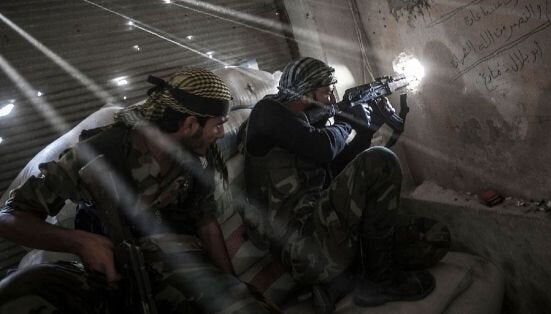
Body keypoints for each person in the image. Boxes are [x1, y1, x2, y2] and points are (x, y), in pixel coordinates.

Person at [0, 68, 279, 313]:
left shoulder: (201, 158)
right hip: (109, 277)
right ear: (189, 124)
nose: (221, 132)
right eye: (217, 125)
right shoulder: (100, 153)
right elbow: (9, 217)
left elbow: (206, 222)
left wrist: (231, 283)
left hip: (179, 271)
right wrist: (80, 242)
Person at [243, 57, 437, 312]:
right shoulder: (267, 113)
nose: (333, 99)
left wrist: (365, 131)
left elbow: (335, 168)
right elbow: (322, 148)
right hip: (302, 246)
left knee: (434, 237)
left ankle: (350, 275)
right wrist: (346, 121)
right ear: (305, 92)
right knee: (382, 160)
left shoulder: (304, 128)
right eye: (326, 92)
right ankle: (378, 282)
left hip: (327, 229)